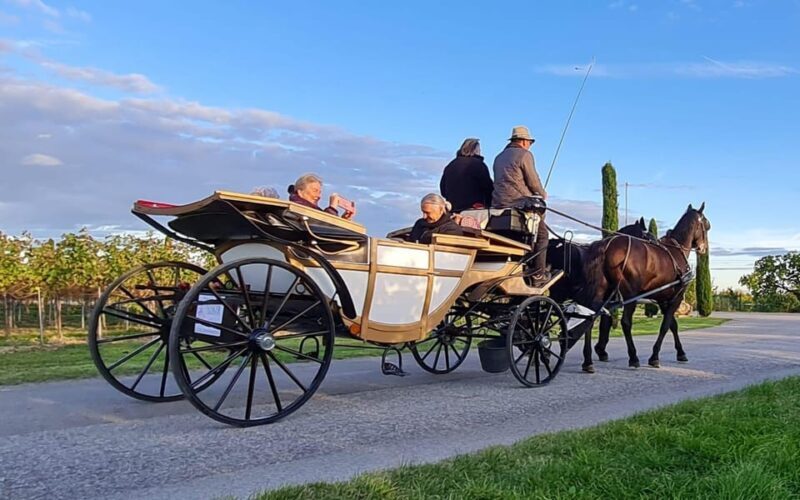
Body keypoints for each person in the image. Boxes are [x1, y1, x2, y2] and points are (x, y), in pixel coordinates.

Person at [492, 126, 549, 285]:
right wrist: (542, 194)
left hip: (498, 204)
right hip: (519, 204)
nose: (530, 145)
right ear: (524, 141)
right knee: (543, 235)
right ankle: (538, 274)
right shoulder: (525, 155)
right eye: (529, 142)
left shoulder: (498, 157)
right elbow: (533, 181)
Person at [439, 138, 493, 212]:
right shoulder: (478, 165)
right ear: (475, 150)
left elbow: (443, 190)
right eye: (479, 149)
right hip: (474, 209)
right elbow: (488, 188)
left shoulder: (450, 165)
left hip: (453, 209)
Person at [287, 173, 356, 220]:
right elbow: (323, 225)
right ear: (300, 192)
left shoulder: (310, 209)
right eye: (315, 191)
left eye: (319, 192)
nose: (319, 196)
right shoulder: (297, 209)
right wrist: (332, 208)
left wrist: (344, 220)